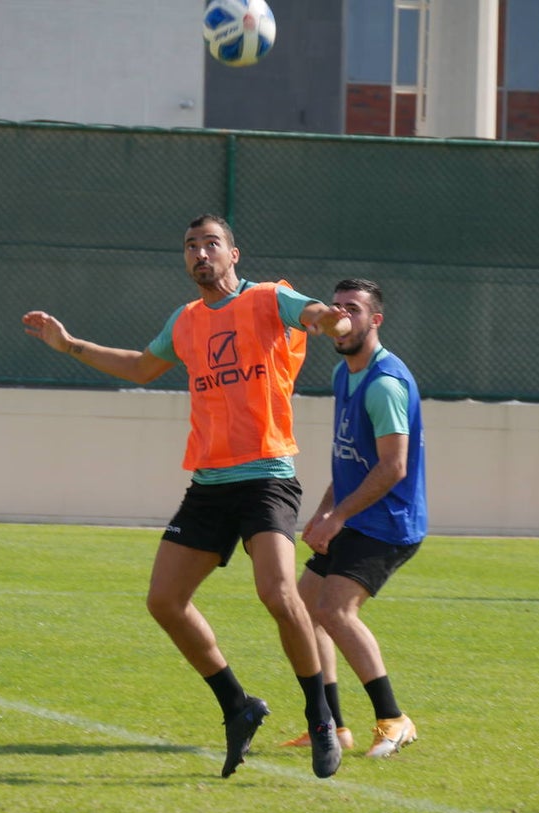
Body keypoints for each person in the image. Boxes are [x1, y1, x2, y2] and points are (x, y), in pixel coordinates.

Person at [22, 214, 352, 779]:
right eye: (191, 246)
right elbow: (142, 367)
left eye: (211, 244)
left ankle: (321, 717)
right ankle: (237, 705)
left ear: (233, 254)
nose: (200, 253)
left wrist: (327, 318)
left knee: (277, 592)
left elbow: (311, 311)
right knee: (164, 601)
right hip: (209, 484)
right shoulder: (186, 319)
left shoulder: (269, 299)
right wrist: (70, 344)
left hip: (266, 476)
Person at [279, 278, 426, 758]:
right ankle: (332, 727)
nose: (341, 316)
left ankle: (394, 719)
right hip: (356, 515)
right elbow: (352, 458)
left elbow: (393, 467)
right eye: (337, 306)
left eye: (354, 309)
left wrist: (338, 515)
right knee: (305, 607)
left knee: (334, 610)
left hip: (388, 522)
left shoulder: (384, 384)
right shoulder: (345, 374)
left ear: (375, 320)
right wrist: (326, 510)